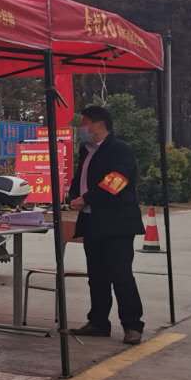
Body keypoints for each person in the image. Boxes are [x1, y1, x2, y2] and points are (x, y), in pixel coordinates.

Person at [68, 104, 145, 344]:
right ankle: (98, 322)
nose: (81, 128)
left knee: (120, 274)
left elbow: (116, 182)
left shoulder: (120, 149)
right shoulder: (87, 151)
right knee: (97, 276)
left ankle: (132, 325)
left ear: (98, 124)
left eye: (84, 123)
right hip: (92, 221)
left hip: (117, 223)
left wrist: (87, 198)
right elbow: (81, 179)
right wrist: (73, 196)